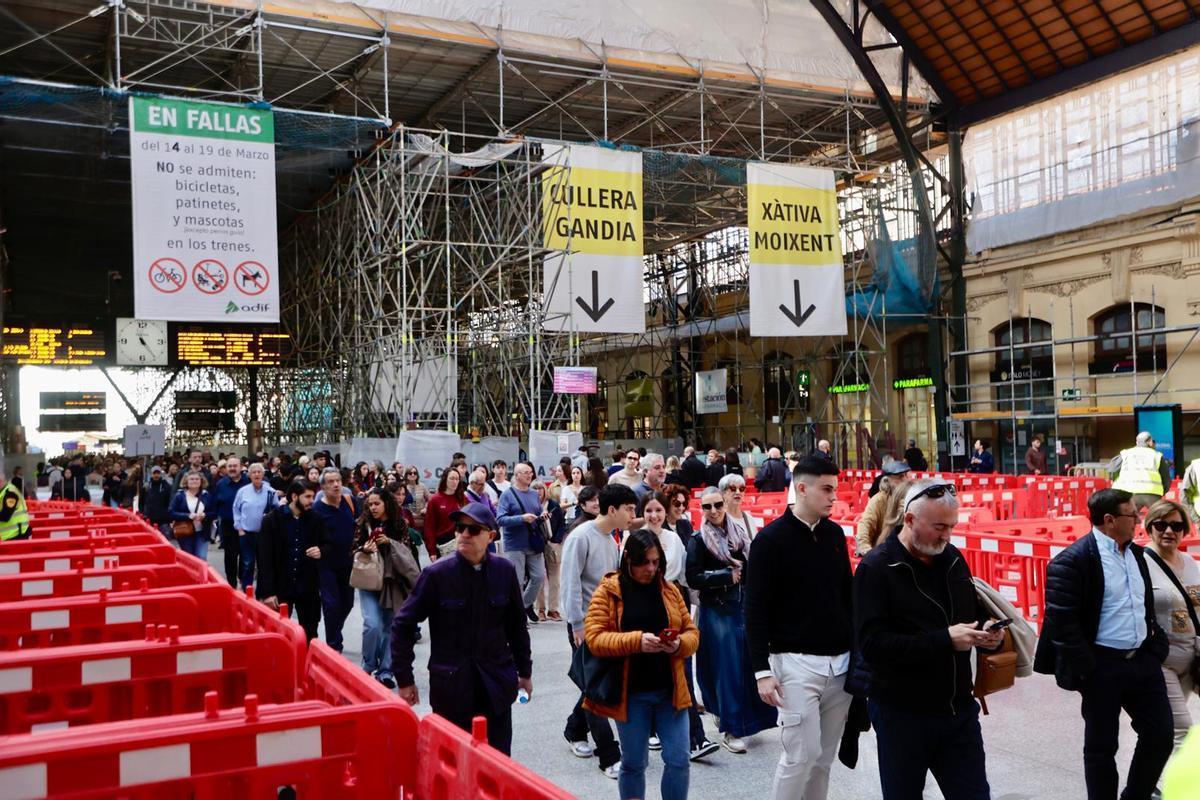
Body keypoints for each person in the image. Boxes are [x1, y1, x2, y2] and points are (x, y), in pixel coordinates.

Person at [855, 480, 1005, 799]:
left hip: (958, 710)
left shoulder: (953, 559)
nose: (947, 536)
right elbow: (872, 646)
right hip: (902, 714)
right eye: (939, 527)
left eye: (952, 526)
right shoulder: (877, 568)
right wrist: (944, 640)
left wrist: (988, 631)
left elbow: (970, 613)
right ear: (909, 520)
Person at [1034, 488, 1173, 800]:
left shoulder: (1138, 555)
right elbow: (1062, 623)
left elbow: (1144, 607)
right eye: (1132, 515)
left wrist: (1156, 649)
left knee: (1161, 735)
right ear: (1109, 520)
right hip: (1101, 666)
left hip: (1143, 662)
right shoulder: (1072, 561)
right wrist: (1089, 669)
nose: (1138, 520)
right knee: (1101, 748)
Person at [747, 455, 854, 800]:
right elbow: (755, 609)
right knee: (800, 756)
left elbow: (847, 595)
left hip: (840, 665)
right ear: (802, 489)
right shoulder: (769, 541)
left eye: (835, 489)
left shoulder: (834, 534)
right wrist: (761, 671)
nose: (833, 497)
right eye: (826, 489)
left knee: (823, 760)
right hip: (794, 663)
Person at [392, 502, 532, 755]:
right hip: (452, 689)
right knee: (453, 761)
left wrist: (525, 672)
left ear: (491, 536)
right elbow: (403, 624)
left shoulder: (505, 571)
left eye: (473, 529)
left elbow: (517, 627)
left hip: (496, 686)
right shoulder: (436, 574)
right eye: (459, 528)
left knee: (497, 760)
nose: (464, 534)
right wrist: (405, 679)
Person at [585, 528, 700, 800]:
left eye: (656, 562)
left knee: (679, 759)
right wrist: (636, 641)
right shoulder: (609, 591)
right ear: (628, 559)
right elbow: (594, 638)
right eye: (644, 562)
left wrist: (678, 644)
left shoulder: (669, 590)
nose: (650, 568)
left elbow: (692, 633)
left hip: (671, 692)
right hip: (631, 695)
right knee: (635, 763)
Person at [686, 486, 777, 753]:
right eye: (707, 506)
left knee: (748, 665)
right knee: (726, 670)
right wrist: (725, 576)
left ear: (724, 504)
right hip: (717, 610)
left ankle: (749, 721)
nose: (713, 511)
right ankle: (731, 727)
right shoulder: (698, 539)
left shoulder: (740, 531)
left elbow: (753, 568)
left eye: (717, 505)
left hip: (743, 607)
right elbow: (692, 577)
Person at [561, 483, 635, 777]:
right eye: (629, 509)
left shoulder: (611, 538)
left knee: (595, 684)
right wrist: (577, 623)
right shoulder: (581, 537)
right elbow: (570, 582)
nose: (633, 515)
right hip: (586, 625)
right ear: (612, 509)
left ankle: (574, 729)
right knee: (596, 689)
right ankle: (609, 755)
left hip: (608, 623)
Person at [1140, 500, 1199, 750]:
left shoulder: (1190, 562)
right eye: (1161, 524)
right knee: (1181, 729)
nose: (1169, 531)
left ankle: (1149, 771)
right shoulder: (1140, 562)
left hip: (1193, 656)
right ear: (1149, 527)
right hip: (1161, 661)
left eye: (1176, 526)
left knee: (1163, 728)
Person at [354, 488, 421, 689]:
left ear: (386, 504)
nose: (373, 508)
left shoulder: (399, 524)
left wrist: (389, 542)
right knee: (372, 624)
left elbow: (407, 552)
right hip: (369, 580)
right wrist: (364, 549)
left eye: (377, 504)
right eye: (370, 504)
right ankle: (368, 664)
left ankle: (385, 671)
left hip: (392, 582)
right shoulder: (363, 524)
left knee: (390, 627)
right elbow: (353, 550)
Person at [257, 479, 329, 641]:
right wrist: (268, 592)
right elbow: (264, 558)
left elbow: (328, 544)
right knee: (277, 635)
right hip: (280, 586)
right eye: (307, 497)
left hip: (307, 586)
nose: (312, 501)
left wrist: (321, 551)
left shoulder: (316, 519)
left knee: (310, 633)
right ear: (294, 497)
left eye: (313, 497)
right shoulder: (272, 520)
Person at [310, 467, 358, 653]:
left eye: (338, 480)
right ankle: (334, 646)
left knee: (347, 603)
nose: (336, 485)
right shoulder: (316, 510)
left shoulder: (350, 502)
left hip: (349, 563)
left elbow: (360, 525)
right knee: (331, 605)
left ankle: (334, 631)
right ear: (322, 487)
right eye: (330, 482)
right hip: (326, 565)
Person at [496, 461, 548, 625]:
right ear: (517, 475)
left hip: (534, 541)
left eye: (531, 472)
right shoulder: (507, 495)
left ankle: (524, 605)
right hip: (515, 544)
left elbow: (538, 511)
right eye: (526, 472)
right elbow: (500, 519)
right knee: (517, 581)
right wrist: (521, 518)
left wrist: (543, 514)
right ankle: (517, 616)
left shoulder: (533, 494)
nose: (530, 475)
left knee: (539, 576)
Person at [232, 463, 277, 591]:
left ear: (263, 474)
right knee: (248, 563)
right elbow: (236, 510)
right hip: (247, 533)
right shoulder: (243, 491)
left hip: (265, 534)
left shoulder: (271, 492)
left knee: (264, 564)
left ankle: (262, 592)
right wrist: (239, 528)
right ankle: (247, 590)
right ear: (249, 475)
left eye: (259, 472)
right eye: (254, 472)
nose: (257, 474)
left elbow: (277, 510)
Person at [855, 460, 911, 555]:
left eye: (906, 475)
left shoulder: (913, 497)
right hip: (885, 552)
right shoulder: (878, 500)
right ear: (887, 481)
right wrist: (865, 548)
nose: (905, 480)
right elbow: (865, 524)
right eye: (900, 477)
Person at [212, 457, 250, 587]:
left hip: (246, 525)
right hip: (228, 525)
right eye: (230, 466)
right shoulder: (221, 484)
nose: (232, 468)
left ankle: (244, 583)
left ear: (241, 467)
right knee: (230, 557)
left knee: (245, 555)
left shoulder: (248, 482)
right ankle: (231, 585)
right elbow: (215, 504)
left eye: (235, 466)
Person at [1110, 431, 1171, 511]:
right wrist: (1163, 491)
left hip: (1128, 493)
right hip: (1151, 493)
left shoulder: (1126, 454)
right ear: (1150, 442)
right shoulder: (1157, 455)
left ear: (1137, 442)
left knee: (1128, 516)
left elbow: (1112, 470)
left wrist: (1116, 484)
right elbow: (1166, 478)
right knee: (1158, 515)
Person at [534, 480, 566, 622]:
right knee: (539, 577)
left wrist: (557, 540)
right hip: (537, 544)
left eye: (540, 488)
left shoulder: (553, 504)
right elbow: (530, 525)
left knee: (555, 578)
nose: (538, 491)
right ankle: (540, 609)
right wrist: (540, 519)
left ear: (545, 490)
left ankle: (553, 609)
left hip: (552, 544)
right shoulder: (531, 505)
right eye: (535, 489)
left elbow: (561, 523)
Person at [424, 467, 467, 560]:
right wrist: (431, 550)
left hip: (461, 542)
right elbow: (429, 527)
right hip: (443, 545)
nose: (455, 482)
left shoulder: (462, 498)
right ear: (445, 480)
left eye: (457, 479)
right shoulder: (435, 500)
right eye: (452, 478)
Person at [169, 472, 213, 561]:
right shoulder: (180, 495)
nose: (194, 481)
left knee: (201, 557)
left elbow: (214, 512)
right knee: (189, 558)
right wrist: (188, 516)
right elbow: (171, 512)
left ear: (201, 481)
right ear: (186, 481)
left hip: (202, 531)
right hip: (185, 531)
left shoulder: (206, 495)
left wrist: (205, 515)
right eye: (191, 479)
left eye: (197, 479)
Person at [719, 473, 759, 537]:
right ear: (723, 493)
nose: (738, 492)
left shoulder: (749, 519)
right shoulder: (718, 519)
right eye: (733, 488)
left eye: (741, 489)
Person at [139, 465, 174, 539]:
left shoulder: (166, 486)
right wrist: (142, 513)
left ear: (161, 474)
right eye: (154, 473)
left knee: (165, 539)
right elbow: (141, 501)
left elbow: (170, 502)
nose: (156, 475)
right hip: (149, 518)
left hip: (163, 520)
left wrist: (169, 517)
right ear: (151, 474)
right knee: (149, 539)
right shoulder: (146, 486)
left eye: (158, 473)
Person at [0, 470, 31, 541]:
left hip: (17, 534)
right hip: (9, 534)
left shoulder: (10, 493)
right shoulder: (3, 492)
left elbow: (5, 516)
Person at [403, 465, 431, 534]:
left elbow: (430, 499)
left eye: (415, 473)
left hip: (421, 518)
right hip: (408, 518)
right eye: (410, 473)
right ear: (406, 475)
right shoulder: (403, 487)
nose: (413, 475)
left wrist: (426, 508)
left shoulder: (422, 486)